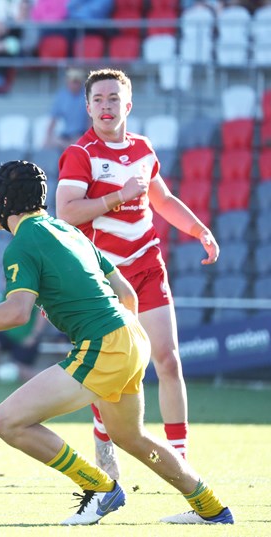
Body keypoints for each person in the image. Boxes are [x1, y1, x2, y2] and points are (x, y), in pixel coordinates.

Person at [0, 160, 233, 526]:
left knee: (7, 421)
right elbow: (127, 295)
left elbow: (17, 312)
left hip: (106, 346)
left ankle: (100, 487)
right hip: (131, 337)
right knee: (132, 437)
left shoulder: (22, 244)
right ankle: (212, 508)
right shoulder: (68, 230)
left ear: (3, 201)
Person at [55, 68, 220, 481]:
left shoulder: (144, 149)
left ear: (127, 104)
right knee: (112, 371)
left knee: (168, 360)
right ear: (87, 107)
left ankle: (180, 460)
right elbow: (66, 213)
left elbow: (162, 199)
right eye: (98, 99)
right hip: (105, 277)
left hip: (147, 265)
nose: (106, 106)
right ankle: (103, 439)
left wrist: (198, 229)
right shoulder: (81, 153)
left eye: (114, 98)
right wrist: (117, 196)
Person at [0, 306, 48, 381]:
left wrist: (34, 336)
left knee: (23, 373)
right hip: (6, 335)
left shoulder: (33, 298)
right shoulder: (8, 296)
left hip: (25, 340)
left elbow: (42, 314)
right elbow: (0, 311)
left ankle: (48, 377)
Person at [44, 68, 91, 149]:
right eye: (72, 82)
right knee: (49, 144)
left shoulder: (87, 96)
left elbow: (90, 121)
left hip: (81, 134)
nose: (74, 85)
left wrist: (87, 137)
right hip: (65, 136)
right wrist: (48, 137)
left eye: (76, 82)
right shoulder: (62, 96)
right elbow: (53, 119)